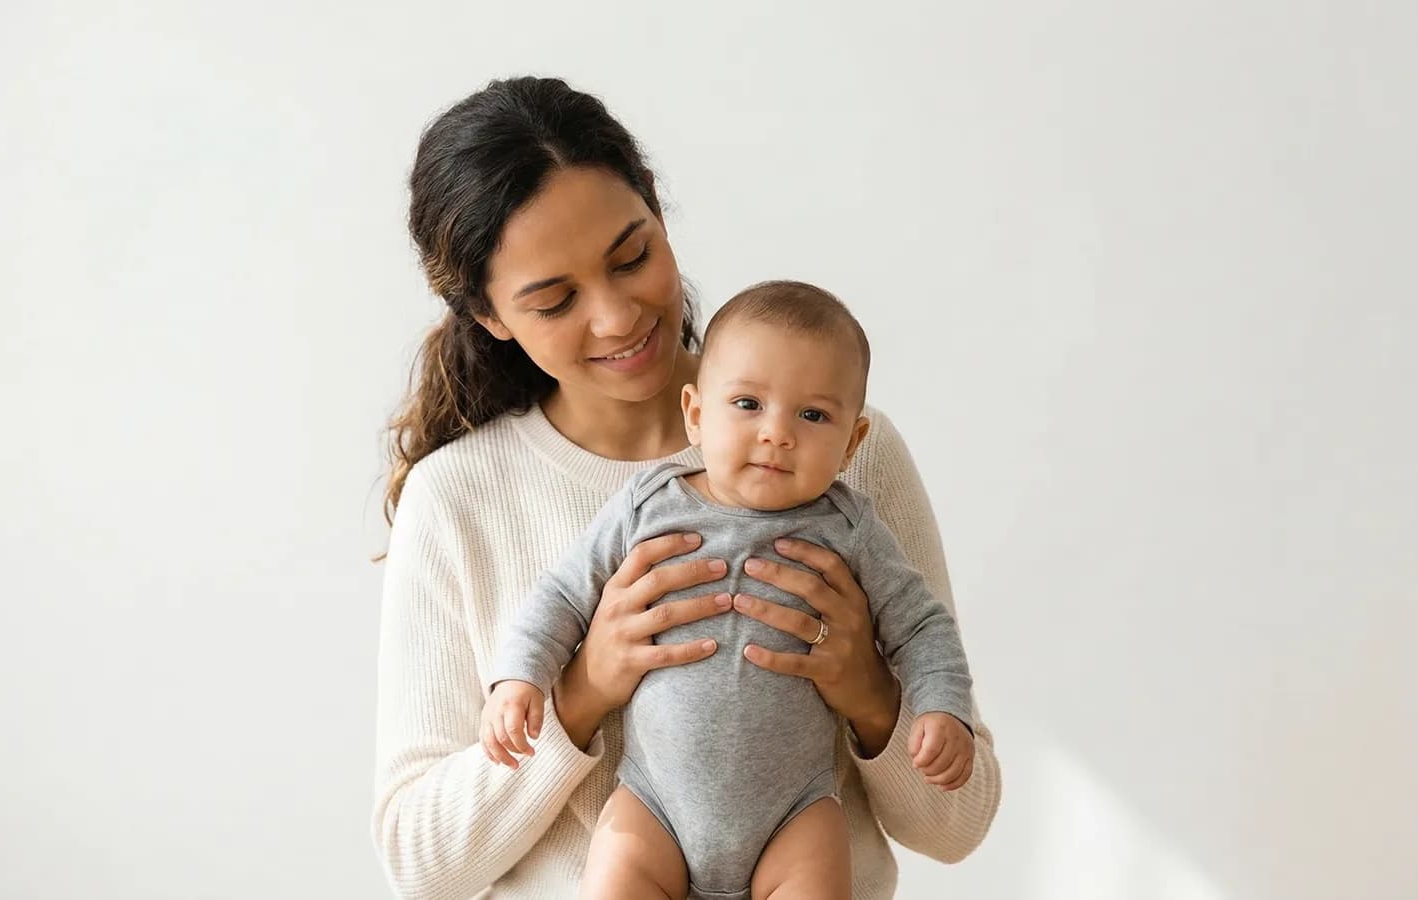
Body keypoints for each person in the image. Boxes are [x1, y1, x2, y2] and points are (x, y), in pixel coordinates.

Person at [372, 75, 1001, 900]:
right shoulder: (459, 498)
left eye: (632, 256)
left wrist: (872, 697)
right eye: (555, 301)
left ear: (659, 215)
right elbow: (419, 863)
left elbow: (960, 825)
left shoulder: (843, 448)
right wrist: (583, 689)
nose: (617, 317)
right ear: (489, 317)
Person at [480, 280, 979, 900]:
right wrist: (520, 678)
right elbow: (561, 596)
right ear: (696, 414)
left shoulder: (850, 528)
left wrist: (940, 706)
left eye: (814, 415)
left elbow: (922, 626)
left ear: (853, 444)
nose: (777, 433)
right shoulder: (648, 506)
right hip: (653, 801)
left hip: (795, 812)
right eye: (748, 404)